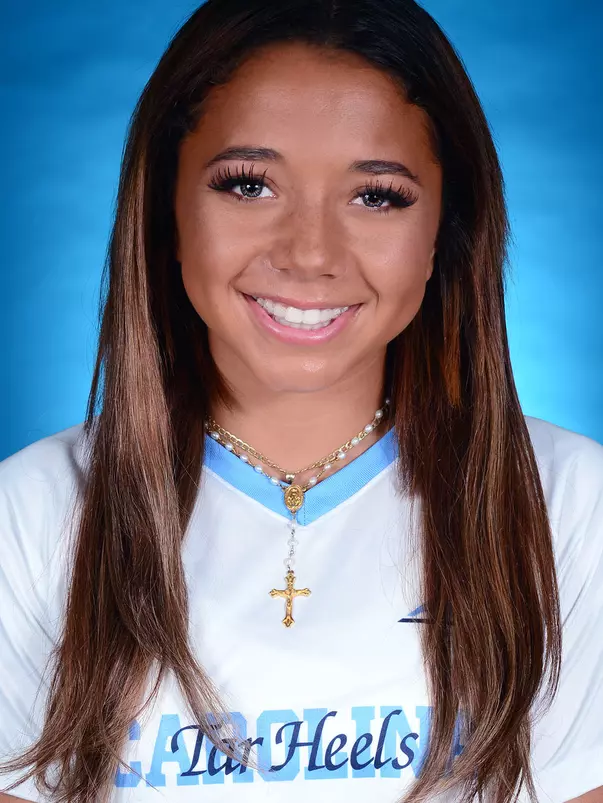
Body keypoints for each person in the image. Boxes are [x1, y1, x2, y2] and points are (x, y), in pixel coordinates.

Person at [1, 0, 602, 801]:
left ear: (444, 233)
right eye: (249, 185)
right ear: (166, 212)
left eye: (377, 196)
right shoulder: (33, 511)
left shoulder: (569, 505)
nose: (310, 252)